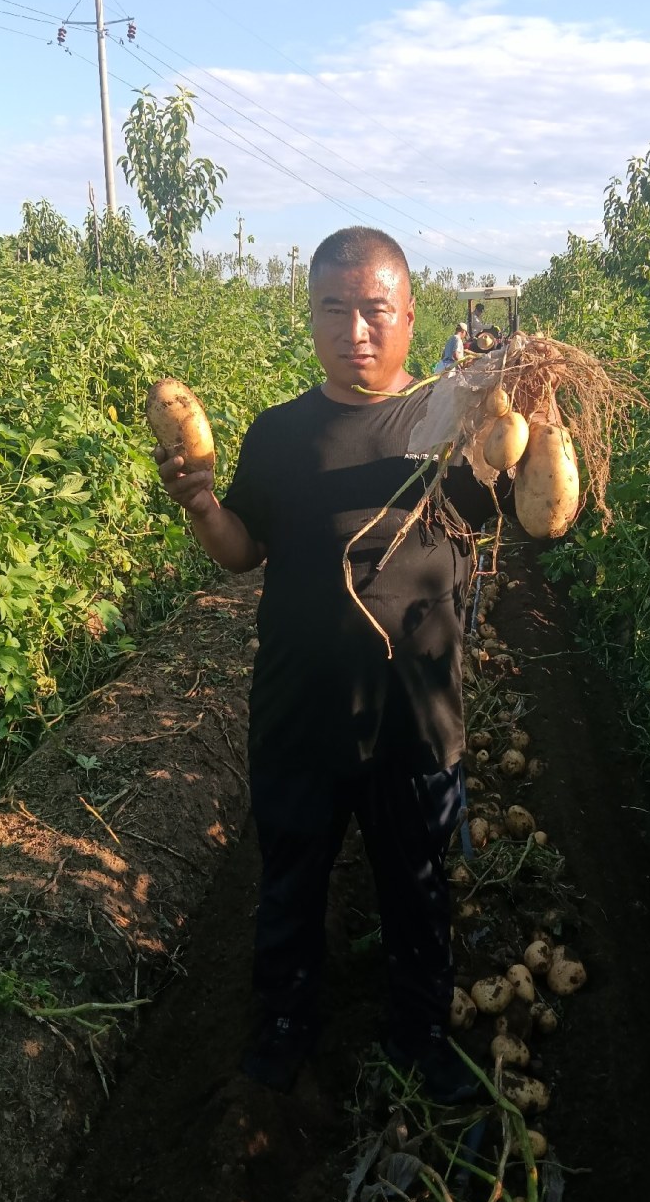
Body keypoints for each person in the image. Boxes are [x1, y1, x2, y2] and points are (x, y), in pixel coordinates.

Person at [154, 227, 506, 1105]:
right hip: (301, 707)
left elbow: (512, 508)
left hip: (413, 707)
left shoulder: (449, 423)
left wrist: (514, 421)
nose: (356, 329)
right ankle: (284, 1018)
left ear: (408, 316)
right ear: (309, 316)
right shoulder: (278, 436)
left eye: (375, 310)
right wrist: (201, 508)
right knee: (292, 871)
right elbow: (244, 550)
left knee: (417, 880)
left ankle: (422, 1025)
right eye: (335, 309)